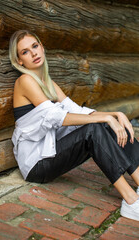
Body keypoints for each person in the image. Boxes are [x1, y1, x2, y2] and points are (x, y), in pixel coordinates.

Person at [9, 30, 139, 221]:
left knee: (108, 124)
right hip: (36, 165)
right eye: (25, 52)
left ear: (42, 47)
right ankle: (131, 202)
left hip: (52, 152)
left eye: (35, 46)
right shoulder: (25, 81)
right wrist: (104, 119)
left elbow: (77, 110)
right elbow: (56, 117)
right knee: (94, 129)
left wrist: (116, 115)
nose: (34, 53)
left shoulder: (49, 83)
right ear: (19, 61)